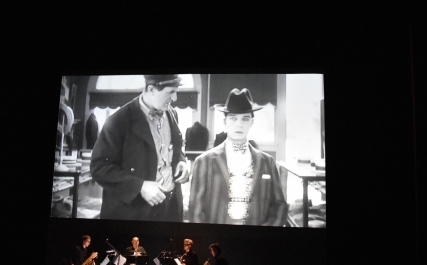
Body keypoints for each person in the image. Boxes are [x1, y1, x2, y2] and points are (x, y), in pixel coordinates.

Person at [90, 75, 189, 222]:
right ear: (151, 89)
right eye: (170, 92)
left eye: (176, 91)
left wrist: (181, 161)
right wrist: (140, 186)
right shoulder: (118, 120)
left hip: (170, 208)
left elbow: (175, 148)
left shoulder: (172, 113)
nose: (174, 98)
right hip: (134, 212)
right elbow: (99, 167)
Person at [189, 88, 288, 226]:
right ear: (225, 122)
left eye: (245, 119)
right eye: (233, 118)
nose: (239, 124)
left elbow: (280, 206)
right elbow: (196, 212)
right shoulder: (203, 162)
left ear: (251, 123)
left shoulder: (267, 162)